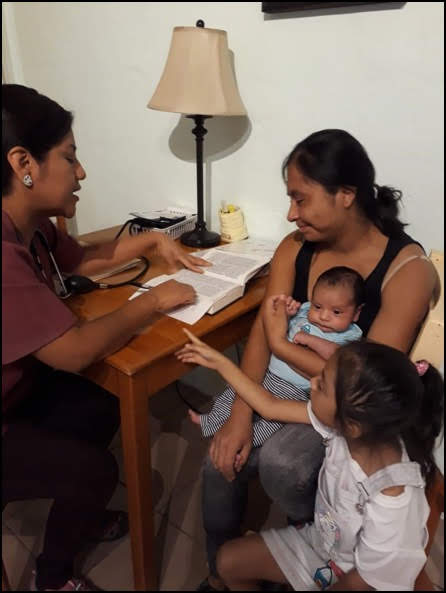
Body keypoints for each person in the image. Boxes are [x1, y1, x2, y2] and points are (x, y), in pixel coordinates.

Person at [194, 128, 439, 591]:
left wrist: (286, 345)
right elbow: (260, 335)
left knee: (284, 462)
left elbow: (355, 382)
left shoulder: (407, 271)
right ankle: (221, 571)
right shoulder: (296, 248)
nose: (291, 213)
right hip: (293, 387)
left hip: (343, 411)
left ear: (346, 195)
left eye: (301, 199)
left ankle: (318, 547)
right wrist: (241, 414)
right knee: (219, 455)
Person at [2, 83, 210, 591]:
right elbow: (72, 353)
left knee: (102, 400)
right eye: (70, 158)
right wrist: (152, 302)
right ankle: (50, 577)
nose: (81, 173)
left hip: (22, 391)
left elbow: (81, 257)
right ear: (23, 162)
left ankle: (76, 507)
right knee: (94, 470)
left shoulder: (29, 225)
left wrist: (157, 239)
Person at [177, 328, 444, 591]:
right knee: (228, 561)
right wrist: (220, 363)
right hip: (323, 546)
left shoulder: (393, 496)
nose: (313, 382)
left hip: (361, 579)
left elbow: (362, 582)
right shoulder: (349, 429)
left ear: (352, 424)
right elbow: (268, 404)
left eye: (322, 384)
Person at [190, 266, 364, 447]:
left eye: (336, 312)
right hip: (269, 373)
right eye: (318, 306)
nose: (324, 316)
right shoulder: (305, 312)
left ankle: (249, 443)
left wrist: (311, 340)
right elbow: (282, 325)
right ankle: (209, 422)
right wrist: (288, 313)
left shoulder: (350, 335)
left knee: (270, 423)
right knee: (235, 393)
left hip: (295, 388)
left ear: (356, 313)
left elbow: (337, 355)